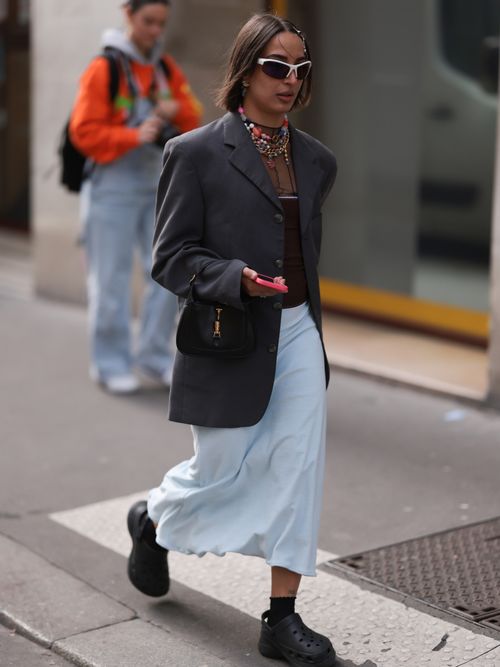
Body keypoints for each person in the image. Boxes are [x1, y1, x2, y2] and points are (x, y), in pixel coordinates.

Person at [126, 12, 338, 666]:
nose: (290, 80)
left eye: (301, 69)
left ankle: (282, 618)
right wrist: (232, 279)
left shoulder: (316, 160)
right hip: (230, 330)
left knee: (298, 467)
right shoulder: (192, 154)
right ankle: (154, 519)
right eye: (277, 66)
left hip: (298, 327)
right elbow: (170, 258)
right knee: (221, 467)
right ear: (245, 70)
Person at [70, 0, 201, 394]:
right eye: (148, 21)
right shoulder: (103, 68)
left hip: (156, 186)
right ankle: (110, 364)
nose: (155, 31)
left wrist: (175, 108)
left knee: (165, 276)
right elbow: (83, 132)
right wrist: (132, 135)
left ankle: (155, 356)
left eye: (161, 23)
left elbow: (193, 118)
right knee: (110, 280)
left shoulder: (165, 68)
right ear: (127, 14)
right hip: (111, 188)